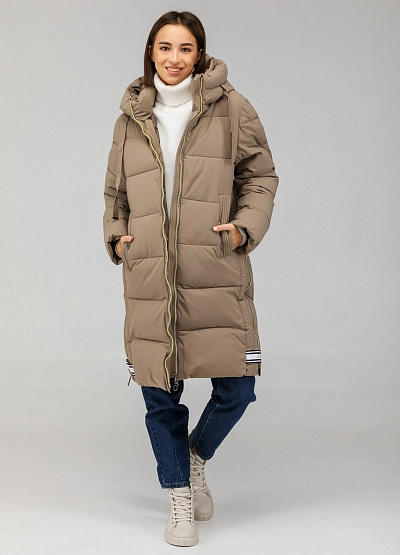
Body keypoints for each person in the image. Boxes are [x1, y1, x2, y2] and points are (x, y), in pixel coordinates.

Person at [103, 10, 278, 547]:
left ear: (199, 54)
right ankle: (179, 495)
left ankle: (195, 458)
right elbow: (116, 193)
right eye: (164, 47)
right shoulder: (131, 116)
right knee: (160, 393)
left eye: (185, 48)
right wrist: (117, 236)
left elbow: (260, 176)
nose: (174, 59)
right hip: (150, 272)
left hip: (215, 266)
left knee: (238, 388)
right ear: (151, 53)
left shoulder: (233, 107)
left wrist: (243, 229)